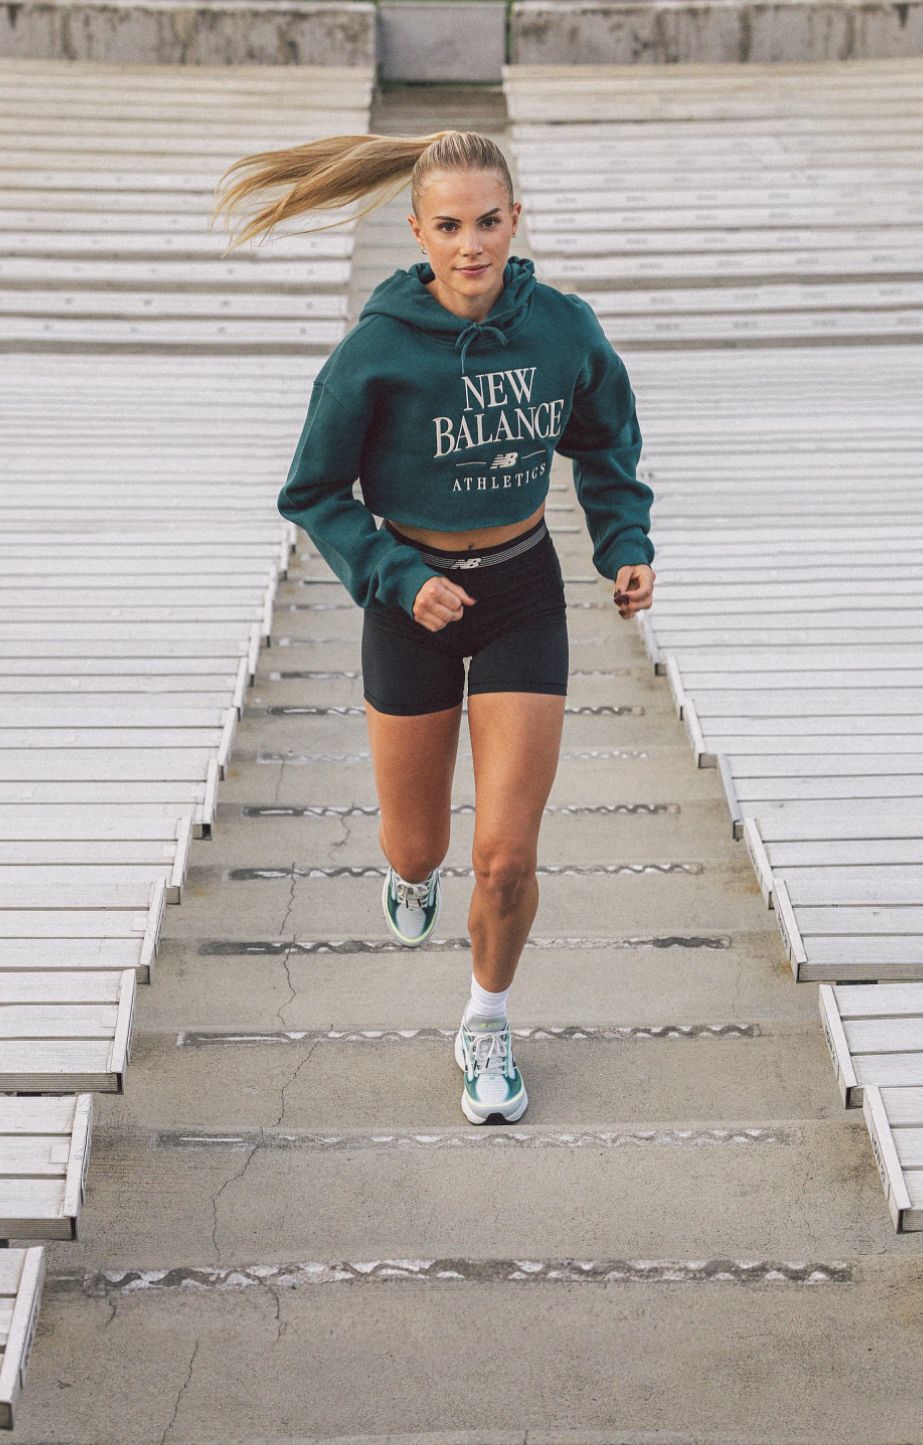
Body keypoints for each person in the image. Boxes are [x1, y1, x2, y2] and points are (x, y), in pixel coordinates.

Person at [209, 129, 656, 1125]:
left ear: (515, 219)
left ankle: (486, 1018)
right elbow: (312, 490)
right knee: (417, 848)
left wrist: (623, 540)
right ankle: (407, 877)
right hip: (407, 607)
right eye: (448, 226)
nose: (470, 246)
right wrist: (396, 575)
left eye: (488, 221)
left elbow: (605, 444)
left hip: (520, 594)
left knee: (503, 855)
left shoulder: (563, 331)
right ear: (415, 230)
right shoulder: (373, 352)